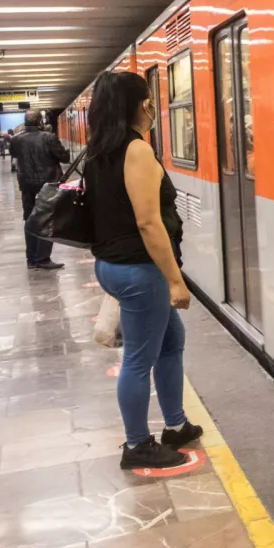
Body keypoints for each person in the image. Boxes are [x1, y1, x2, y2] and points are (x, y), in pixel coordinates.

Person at [85, 72, 201, 469]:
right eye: (148, 99)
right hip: (139, 269)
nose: (153, 106)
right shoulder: (134, 151)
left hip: (117, 264)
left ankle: (176, 425)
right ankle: (137, 445)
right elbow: (148, 223)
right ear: (137, 104)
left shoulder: (100, 150)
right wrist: (174, 280)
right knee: (138, 358)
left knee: (171, 341)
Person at [10, 110, 69, 271]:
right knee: (47, 219)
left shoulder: (15, 139)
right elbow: (64, 157)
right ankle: (43, 258)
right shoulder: (48, 137)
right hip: (48, 184)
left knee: (30, 220)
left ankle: (31, 258)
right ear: (40, 122)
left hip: (26, 186)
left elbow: (14, 155)